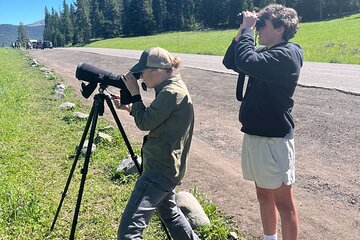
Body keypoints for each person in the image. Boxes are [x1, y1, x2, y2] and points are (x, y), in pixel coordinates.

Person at [223, 4, 303, 240]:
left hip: (274, 139)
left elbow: (246, 61)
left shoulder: (288, 54)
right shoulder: (266, 52)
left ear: (280, 28)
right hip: (255, 135)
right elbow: (231, 60)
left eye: (262, 24)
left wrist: (248, 30)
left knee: (284, 204)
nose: (258, 29)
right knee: (262, 195)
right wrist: (242, 29)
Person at [114, 46, 199, 240]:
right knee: (171, 214)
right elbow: (158, 118)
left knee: (128, 232)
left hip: (159, 170)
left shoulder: (170, 92)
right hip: (168, 166)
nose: (141, 78)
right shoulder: (173, 86)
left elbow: (145, 123)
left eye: (142, 73)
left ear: (156, 71)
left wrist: (135, 95)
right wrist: (130, 108)